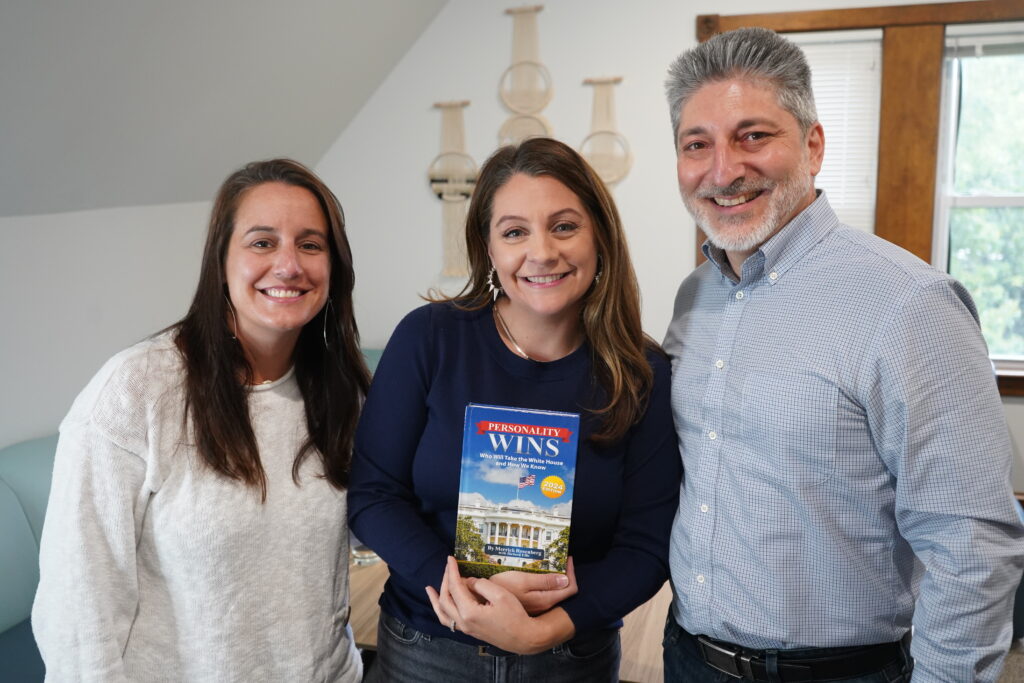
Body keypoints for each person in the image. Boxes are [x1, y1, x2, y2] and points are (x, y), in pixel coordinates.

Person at [661, 27, 1024, 682]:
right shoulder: (696, 297)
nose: (723, 170)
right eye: (698, 145)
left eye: (753, 136)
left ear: (814, 145)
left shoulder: (908, 303)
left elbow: (972, 548)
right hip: (690, 658)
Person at [348, 137, 681, 682]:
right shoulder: (428, 340)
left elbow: (647, 546)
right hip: (426, 646)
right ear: (489, 248)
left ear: (599, 234)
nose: (542, 252)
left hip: (571, 658)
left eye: (565, 226)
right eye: (515, 232)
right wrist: (458, 584)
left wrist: (548, 630)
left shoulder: (641, 372)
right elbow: (372, 494)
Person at [32, 159, 370, 682]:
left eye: (310, 244)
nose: (288, 265)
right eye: (262, 242)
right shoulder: (134, 392)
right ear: (221, 261)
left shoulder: (342, 389)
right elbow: (79, 611)